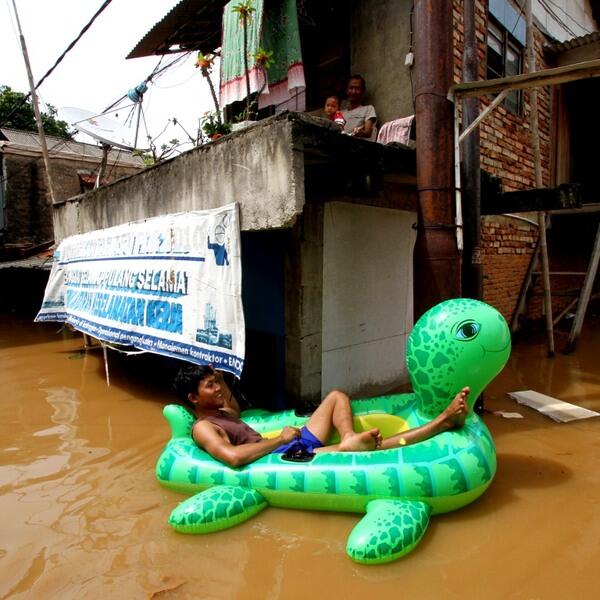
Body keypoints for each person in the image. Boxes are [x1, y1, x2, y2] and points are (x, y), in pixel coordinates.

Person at [173, 365, 469, 468]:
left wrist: (220, 376)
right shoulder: (203, 427)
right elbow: (233, 457)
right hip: (277, 458)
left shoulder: (221, 410)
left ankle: (350, 436)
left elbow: (235, 411)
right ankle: (442, 421)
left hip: (285, 444)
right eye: (210, 386)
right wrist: (279, 440)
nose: (218, 389)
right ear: (193, 399)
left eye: (216, 383)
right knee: (377, 448)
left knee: (337, 396)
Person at [341, 74, 377, 140]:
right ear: (347, 90)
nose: (353, 91)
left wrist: (360, 132)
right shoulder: (340, 114)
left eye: (357, 88)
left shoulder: (368, 109)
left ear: (362, 91)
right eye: (351, 88)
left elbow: (367, 132)